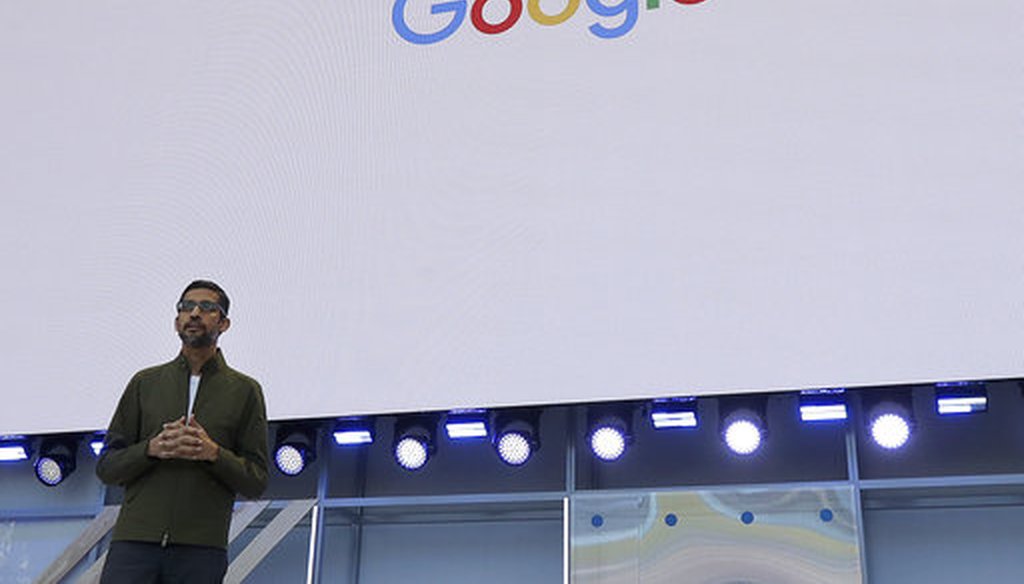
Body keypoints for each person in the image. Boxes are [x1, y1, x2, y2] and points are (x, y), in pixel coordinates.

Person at [96, 280, 269, 584]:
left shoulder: (245, 391)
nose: (194, 313)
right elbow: (107, 467)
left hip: (200, 550)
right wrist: (151, 448)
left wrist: (214, 454)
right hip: (134, 544)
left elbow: (256, 481)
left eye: (207, 308)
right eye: (186, 307)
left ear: (224, 323)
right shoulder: (145, 383)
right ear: (176, 321)